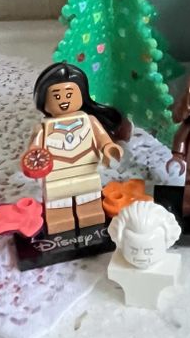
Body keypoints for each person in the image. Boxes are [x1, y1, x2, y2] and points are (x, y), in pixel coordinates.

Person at [21, 62, 126, 234]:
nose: (63, 100)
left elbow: (103, 140)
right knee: (58, 206)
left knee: (90, 202)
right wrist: (32, 162)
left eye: (69, 94)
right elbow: (34, 151)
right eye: (56, 96)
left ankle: (91, 218)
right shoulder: (43, 129)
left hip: (87, 171)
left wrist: (109, 148)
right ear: (43, 100)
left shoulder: (89, 121)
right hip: (56, 176)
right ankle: (59, 221)